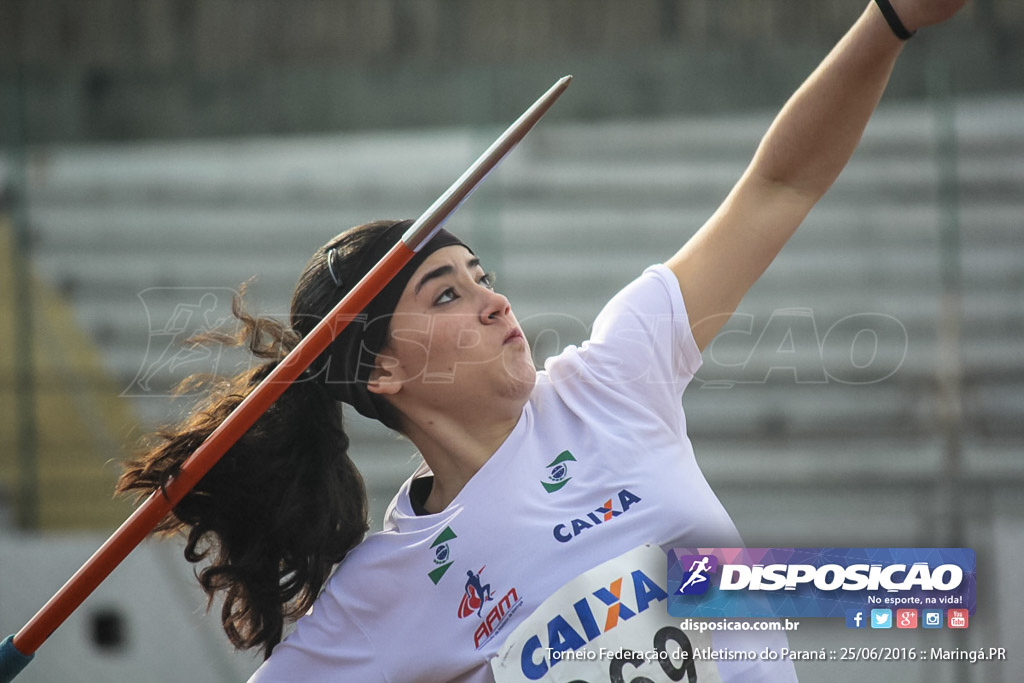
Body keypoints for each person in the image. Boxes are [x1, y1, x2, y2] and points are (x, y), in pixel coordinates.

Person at [116, 1, 968, 681]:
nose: (492, 301)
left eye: (482, 274)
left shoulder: (615, 379)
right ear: (380, 368)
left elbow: (778, 186)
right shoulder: (383, 591)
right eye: (448, 292)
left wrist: (889, 19)